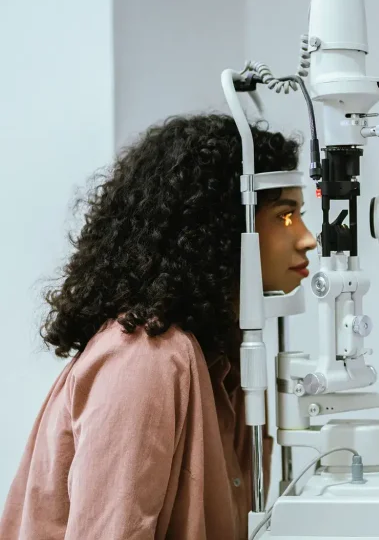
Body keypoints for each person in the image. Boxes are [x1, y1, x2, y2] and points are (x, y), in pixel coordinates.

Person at [1, 113, 317, 539]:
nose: (308, 238)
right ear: (222, 224)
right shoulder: (146, 360)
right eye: (285, 216)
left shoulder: (221, 358)